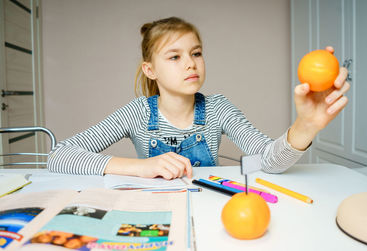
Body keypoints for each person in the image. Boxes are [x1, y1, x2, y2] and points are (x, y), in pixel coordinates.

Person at [47, 17, 350, 180]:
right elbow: (59, 156)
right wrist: (140, 167)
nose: (191, 63)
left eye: (196, 53)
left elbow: (268, 162)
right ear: (150, 70)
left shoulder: (219, 109)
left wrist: (305, 126)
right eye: (174, 56)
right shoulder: (136, 113)